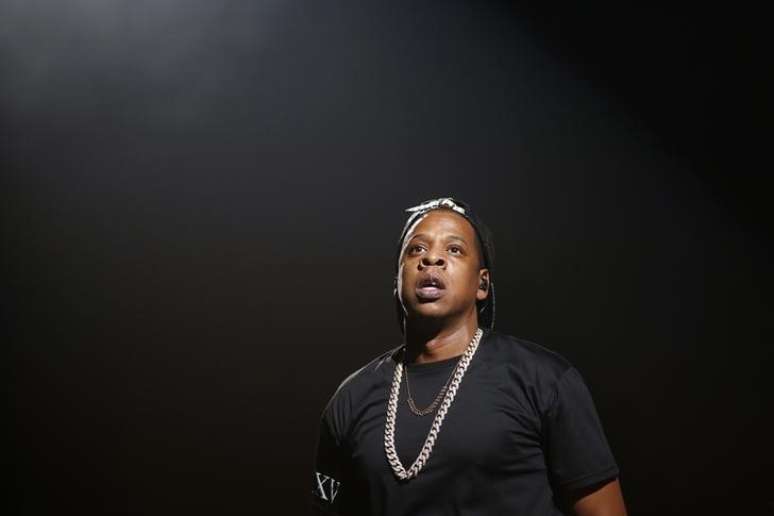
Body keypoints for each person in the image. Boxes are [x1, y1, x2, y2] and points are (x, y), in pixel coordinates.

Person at [311, 197, 627, 515]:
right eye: (416, 249)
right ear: (397, 280)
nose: (431, 258)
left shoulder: (544, 380)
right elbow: (326, 506)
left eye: (454, 249)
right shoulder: (350, 400)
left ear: (482, 283)